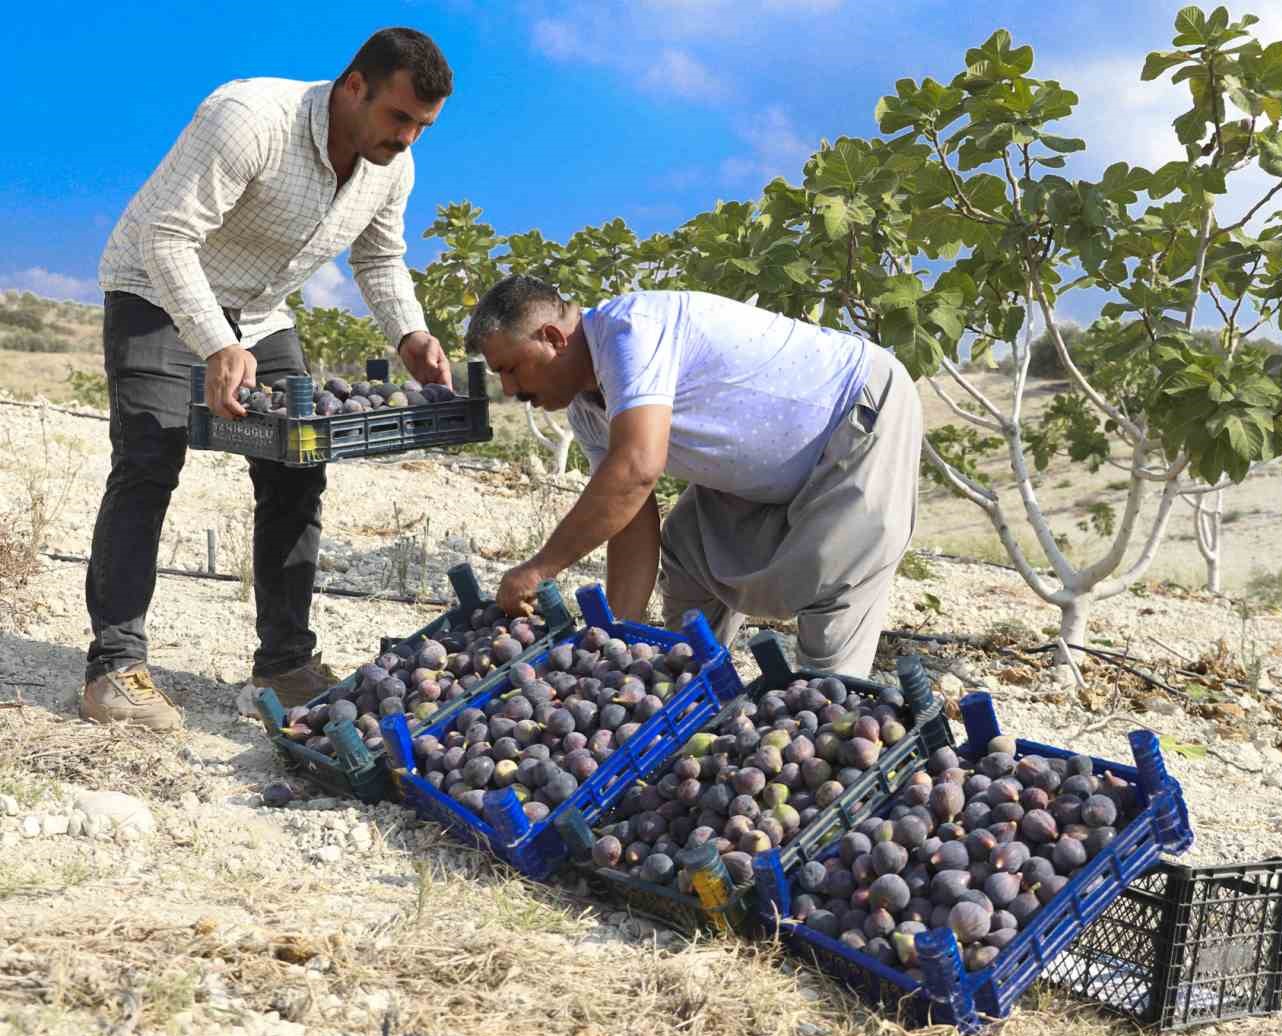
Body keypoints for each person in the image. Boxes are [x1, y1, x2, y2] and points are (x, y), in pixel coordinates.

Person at [86, 28, 455, 729]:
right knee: (148, 460)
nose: (408, 138)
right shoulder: (249, 120)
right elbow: (167, 237)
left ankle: (285, 662)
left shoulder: (391, 165)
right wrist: (214, 341)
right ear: (354, 86)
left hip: (259, 312)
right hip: (155, 289)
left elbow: (379, 260)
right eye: (399, 117)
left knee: (298, 463)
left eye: (422, 126)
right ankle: (114, 665)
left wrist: (409, 331)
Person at [466, 277, 924, 678]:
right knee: (690, 550)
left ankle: (831, 727)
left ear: (552, 338)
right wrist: (613, 643)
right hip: (774, 463)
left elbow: (638, 469)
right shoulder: (588, 411)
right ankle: (700, 689)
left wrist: (538, 568)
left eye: (510, 368)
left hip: (855, 413)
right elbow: (628, 517)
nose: (509, 389)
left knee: (832, 576)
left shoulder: (630, 332)